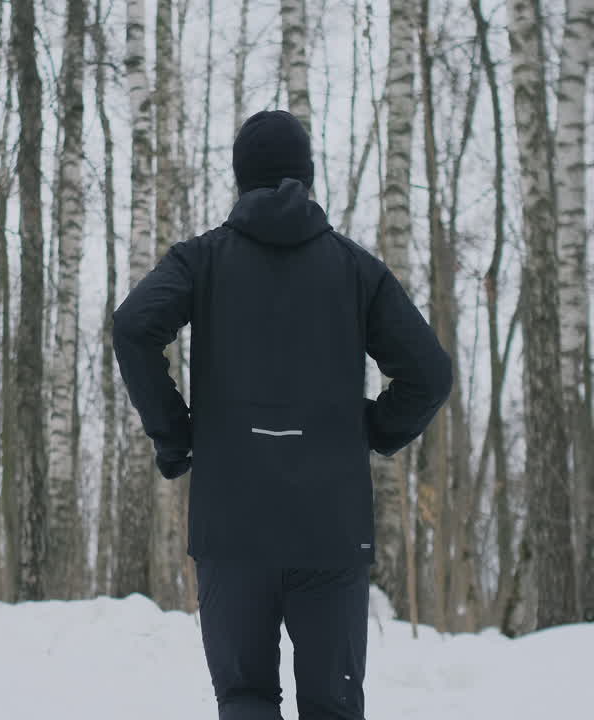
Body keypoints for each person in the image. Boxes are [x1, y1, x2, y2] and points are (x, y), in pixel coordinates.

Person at [112, 110, 452, 720]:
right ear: (307, 175)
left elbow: (134, 326)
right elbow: (429, 372)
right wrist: (374, 430)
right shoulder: (356, 270)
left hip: (232, 529)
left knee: (245, 700)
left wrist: (175, 436)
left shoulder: (201, 260)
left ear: (241, 177)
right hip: (331, 530)